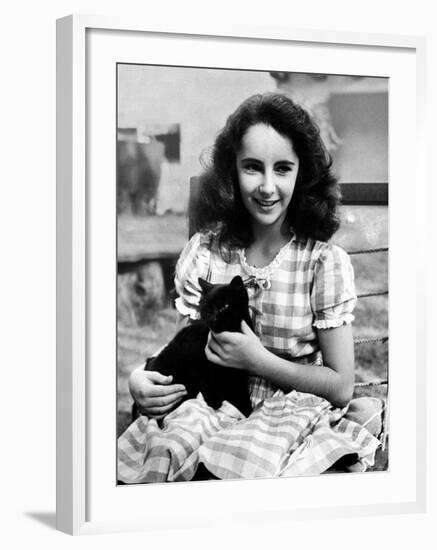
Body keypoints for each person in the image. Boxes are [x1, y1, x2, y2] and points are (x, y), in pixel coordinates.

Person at [122, 92, 384, 482]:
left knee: (243, 464)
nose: (266, 186)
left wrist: (258, 361)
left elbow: (342, 386)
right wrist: (139, 377)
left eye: (282, 168)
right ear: (232, 172)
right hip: (208, 408)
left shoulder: (320, 262)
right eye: (251, 168)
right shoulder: (208, 253)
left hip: (287, 418)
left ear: (303, 173)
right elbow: (186, 345)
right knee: (167, 454)